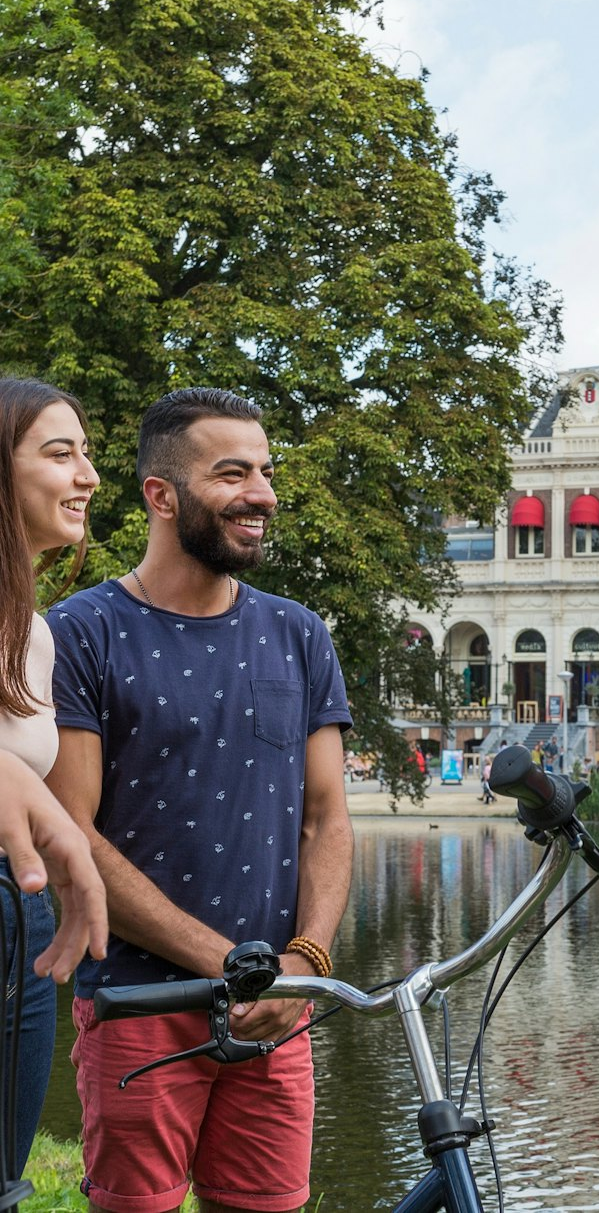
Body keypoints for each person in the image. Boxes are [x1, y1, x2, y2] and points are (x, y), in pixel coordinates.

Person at [47, 388, 354, 1213]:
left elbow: (327, 817)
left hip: (274, 1014)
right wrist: (231, 967)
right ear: (161, 495)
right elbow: (71, 837)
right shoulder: (80, 633)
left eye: (265, 470)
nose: (263, 493)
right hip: (139, 1006)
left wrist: (302, 969)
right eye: (233, 473)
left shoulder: (300, 634)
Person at [0, 378, 109, 1176]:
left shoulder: (36, 634)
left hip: (24, 926)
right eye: (60, 453)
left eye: (89, 455)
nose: (89, 476)